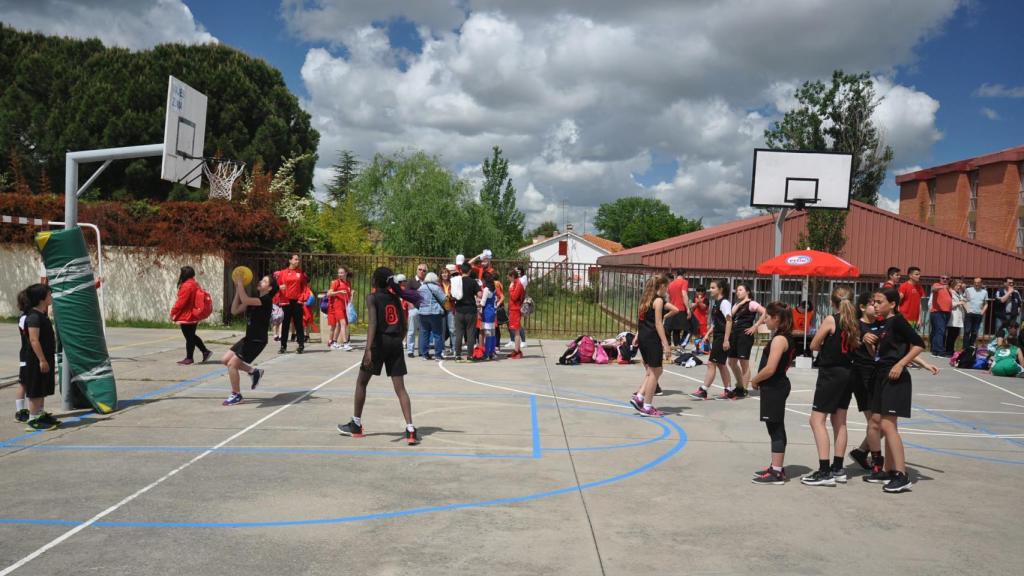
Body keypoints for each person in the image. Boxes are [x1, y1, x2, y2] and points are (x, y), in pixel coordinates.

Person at [338, 267, 420, 445]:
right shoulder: (395, 298)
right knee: (400, 389)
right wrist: (399, 339)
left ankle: (356, 425)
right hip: (395, 343)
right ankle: (411, 429)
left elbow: (373, 323)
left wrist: (368, 349)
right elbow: (404, 325)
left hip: (379, 343)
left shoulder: (372, 297)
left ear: (375, 281)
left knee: (361, 382)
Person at [862, 288, 924, 493]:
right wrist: (868, 342)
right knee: (877, 421)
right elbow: (878, 353)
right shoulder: (883, 324)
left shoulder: (897, 321)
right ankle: (887, 469)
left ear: (893, 304)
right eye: (874, 301)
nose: (876, 305)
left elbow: (918, 344)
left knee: (889, 426)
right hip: (880, 374)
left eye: (880, 301)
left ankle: (901, 474)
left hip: (894, 376)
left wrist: (901, 364)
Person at [802, 287, 861, 486]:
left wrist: (826, 344)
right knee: (840, 421)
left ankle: (824, 470)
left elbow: (814, 345)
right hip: (848, 372)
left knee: (816, 420)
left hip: (832, 373)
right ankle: (838, 468)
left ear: (832, 301)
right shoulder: (855, 322)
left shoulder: (831, 320)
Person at [750, 302, 794, 485]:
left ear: (776, 318)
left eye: (767, 317)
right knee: (774, 426)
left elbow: (770, 368)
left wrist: (755, 379)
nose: (765, 319)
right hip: (775, 386)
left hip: (775, 386)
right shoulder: (782, 337)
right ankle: (776, 466)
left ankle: (776, 472)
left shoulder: (779, 339)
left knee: (775, 428)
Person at [220, 274, 279, 406]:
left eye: (264, 281)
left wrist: (240, 283)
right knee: (225, 360)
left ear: (269, 288)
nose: (260, 281)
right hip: (249, 338)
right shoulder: (254, 300)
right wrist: (237, 290)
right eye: (261, 279)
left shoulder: (266, 300)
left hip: (257, 340)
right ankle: (254, 372)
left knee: (232, 364)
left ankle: (236, 394)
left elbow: (245, 298)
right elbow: (234, 310)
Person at [629, 275, 679, 417]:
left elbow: (641, 321)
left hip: (644, 338)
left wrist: (638, 336)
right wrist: (666, 344)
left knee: (653, 371)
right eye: (666, 286)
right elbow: (658, 323)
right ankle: (647, 406)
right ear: (661, 286)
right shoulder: (658, 301)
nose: (667, 289)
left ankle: (639, 397)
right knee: (655, 371)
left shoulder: (645, 300)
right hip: (652, 339)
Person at [17, 284, 60, 431]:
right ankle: (33, 419)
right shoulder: (34, 317)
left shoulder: (41, 315)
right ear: (42, 298)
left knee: (43, 386)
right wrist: (42, 360)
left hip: (45, 357)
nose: (51, 297)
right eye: (49, 295)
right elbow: (34, 340)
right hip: (36, 360)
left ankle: (40, 414)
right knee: (35, 387)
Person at [691, 279, 731, 400]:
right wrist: (707, 334)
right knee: (721, 364)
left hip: (722, 337)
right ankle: (728, 390)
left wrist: (726, 339)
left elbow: (729, 321)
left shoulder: (724, 303)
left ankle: (703, 390)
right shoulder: (716, 303)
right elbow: (717, 322)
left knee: (711, 363)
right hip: (717, 335)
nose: (710, 290)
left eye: (713, 288)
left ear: (721, 289)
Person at [724, 282, 765, 399]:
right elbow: (730, 317)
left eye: (740, 290)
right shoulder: (736, 304)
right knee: (731, 362)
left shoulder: (751, 303)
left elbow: (765, 312)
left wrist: (756, 326)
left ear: (747, 291)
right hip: (734, 334)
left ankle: (744, 389)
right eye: (737, 290)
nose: (738, 292)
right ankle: (740, 384)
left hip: (745, 334)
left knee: (743, 362)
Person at [170, 266, 212, 365]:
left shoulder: (186, 285)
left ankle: (190, 358)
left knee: (189, 337)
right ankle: (205, 352)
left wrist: (173, 312)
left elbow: (181, 302)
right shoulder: (195, 284)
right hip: (194, 314)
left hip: (187, 315)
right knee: (191, 336)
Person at [275, 254, 309, 354]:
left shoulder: (301, 273)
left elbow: (305, 287)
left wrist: (302, 298)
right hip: (286, 301)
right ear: (290, 260)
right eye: (295, 259)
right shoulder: (283, 273)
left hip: (297, 301)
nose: (298, 261)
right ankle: (283, 346)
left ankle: (301, 345)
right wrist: (280, 290)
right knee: (285, 324)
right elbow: (277, 286)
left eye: (298, 260)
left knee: (299, 324)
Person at [452, 263, 481, 361]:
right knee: (470, 333)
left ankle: (458, 355)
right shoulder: (473, 282)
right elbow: (479, 294)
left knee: (459, 333)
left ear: (461, 271)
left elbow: (452, 295)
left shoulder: (456, 281)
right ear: (469, 271)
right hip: (471, 310)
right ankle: (470, 355)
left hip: (459, 310)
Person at [416, 272, 446, 360]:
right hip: (434, 312)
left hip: (422, 312)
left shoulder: (421, 288)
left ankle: (424, 354)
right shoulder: (436, 288)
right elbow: (443, 299)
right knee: (437, 334)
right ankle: (438, 355)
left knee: (424, 333)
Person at [327, 267, 353, 351]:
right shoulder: (336, 282)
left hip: (344, 306)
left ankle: (334, 342)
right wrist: (339, 292)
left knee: (339, 324)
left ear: (346, 273)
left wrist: (351, 296)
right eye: (339, 273)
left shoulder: (348, 283)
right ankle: (345, 344)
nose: (340, 274)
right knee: (343, 323)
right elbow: (329, 293)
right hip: (337, 306)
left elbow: (348, 296)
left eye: (342, 273)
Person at [665, 270, 691, 350]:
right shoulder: (684, 282)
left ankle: (671, 345)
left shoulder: (671, 283)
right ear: (684, 274)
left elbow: (668, 297)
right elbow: (684, 294)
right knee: (689, 328)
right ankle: (680, 345)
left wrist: (668, 308)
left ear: (676, 274)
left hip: (672, 309)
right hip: (681, 309)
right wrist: (688, 308)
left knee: (671, 328)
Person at [405, 264, 427, 357]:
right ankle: (410, 350)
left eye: (424, 270)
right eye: (420, 269)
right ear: (417, 270)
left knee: (423, 331)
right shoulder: (411, 281)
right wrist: (411, 306)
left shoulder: (427, 282)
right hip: (414, 309)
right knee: (411, 330)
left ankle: (422, 351)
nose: (422, 271)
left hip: (425, 310)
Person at [929, 274, 952, 357]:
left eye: (947, 278)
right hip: (938, 311)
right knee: (940, 331)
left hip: (946, 312)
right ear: (940, 279)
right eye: (943, 278)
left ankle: (935, 350)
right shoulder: (937, 285)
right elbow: (933, 289)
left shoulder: (949, 288)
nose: (945, 280)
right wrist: (942, 287)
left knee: (939, 331)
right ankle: (939, 351)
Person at [963, 277, 989, 349]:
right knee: (967, 331)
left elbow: (986, 303)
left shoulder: (984, 292)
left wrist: (982, 312)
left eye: (978, 282)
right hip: (969, 314)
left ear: (981, 283)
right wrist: (967, 310)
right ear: (973, 283)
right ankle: (965, 348)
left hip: (978, 314)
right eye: (975, 282)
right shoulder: (968, 290)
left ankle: (971, 347)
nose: (976, 284)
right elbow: (963, 300)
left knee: (974, 332)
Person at [507, 269, 526, 359]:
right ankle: (516, 349)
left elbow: (514, 297)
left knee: (516, 330)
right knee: (515, 330)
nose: (508, 278)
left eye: (509, 277)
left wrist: (510, 289)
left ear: (513, 276)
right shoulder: (516, 283)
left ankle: (517, 350)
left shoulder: (518, 284)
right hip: (513, 309)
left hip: (516, 309)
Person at [480, 272, 499, 360]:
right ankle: (491, 352)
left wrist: (477, 304)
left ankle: (487, 354)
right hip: (492, 312)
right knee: (492, 333)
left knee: (488, 333)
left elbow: (483, 303)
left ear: (484, 279)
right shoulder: (493, 288)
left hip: (487, 312)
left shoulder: (486, 289)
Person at [945, 279, 965, 356]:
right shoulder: (950, 292)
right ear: (953, 285)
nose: (959, 287)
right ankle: (948, 350)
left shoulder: (959, 293)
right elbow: (949, 304)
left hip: (959, 316)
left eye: (960, 286)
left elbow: (963, 299)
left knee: (955, 335)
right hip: (953, 316)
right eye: (957, 286)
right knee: (951, 335)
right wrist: (959, 303)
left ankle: (951, 349)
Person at [440, 265, 456, 354]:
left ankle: (454, 348)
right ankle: (442, 349)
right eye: (443, 273)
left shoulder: (452, 283)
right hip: (441, 309)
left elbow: (457, 296)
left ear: (448, 274)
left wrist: (451, 296)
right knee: (442, 330)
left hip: (451, 308)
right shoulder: (438, 284)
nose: (444, 274)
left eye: (446, 273)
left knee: (452, 329)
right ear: (441, 275)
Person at [691, 286, 709, 353]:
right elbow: (692, 307)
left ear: (704, 292)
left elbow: (703, 307)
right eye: (698, 291)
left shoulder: (706, 299)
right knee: (697, 335)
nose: (700, 293)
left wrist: (699, 302)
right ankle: (698, 348)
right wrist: (697, 302)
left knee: (704, 336)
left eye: (702, 291)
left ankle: (706, 349)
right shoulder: (694, 298)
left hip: (703, 320)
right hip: (695, 320)